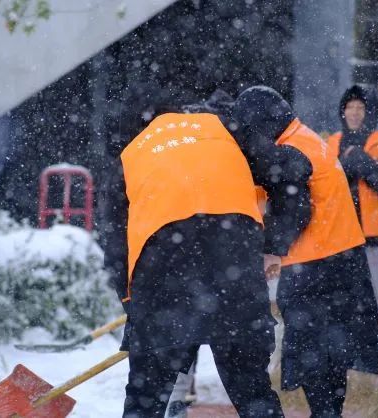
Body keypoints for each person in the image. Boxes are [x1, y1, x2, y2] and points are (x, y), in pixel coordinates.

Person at [103, 93, 312, 417]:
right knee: (252, 391)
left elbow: (116, 247)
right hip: (234, 268)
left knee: (145, 397)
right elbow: (295, 170)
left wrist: (133, 305)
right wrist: (274, 245)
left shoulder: (130, 156)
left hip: (160, 277)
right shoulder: (225, 129)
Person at [232, 86, 378, 418]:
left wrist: (272, 251)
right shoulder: (305, 137)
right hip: (345, 258)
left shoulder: (291, 149)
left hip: (314, 265)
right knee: (335, 350)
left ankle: (325, 412)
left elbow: (295, 206)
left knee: (311, 354)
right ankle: (329, 412)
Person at [326, 86, 378, 309]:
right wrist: (343, 166)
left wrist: (362, 162)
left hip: (369, 237)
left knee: (370, 300)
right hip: (336, 236)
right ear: (343, 111)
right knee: (338, 300)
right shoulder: (330, 143)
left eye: (361, 107)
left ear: (370, 113)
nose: (355, 112)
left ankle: (369, 342)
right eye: (350, 107)